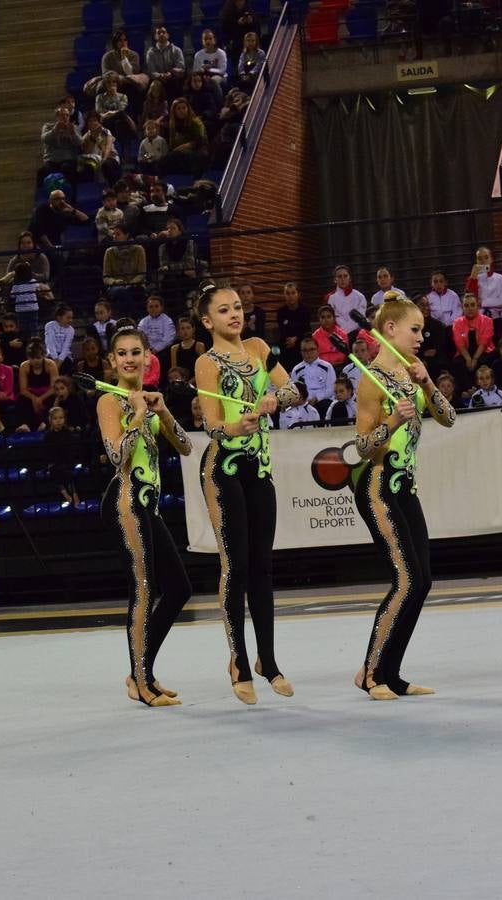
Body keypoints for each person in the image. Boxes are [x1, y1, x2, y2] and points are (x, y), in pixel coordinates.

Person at [195, 284, 303, 704]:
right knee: (235, 566)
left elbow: (293, 390)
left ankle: (268, 661)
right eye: (223, 310)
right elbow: (211, 424)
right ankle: (238, 661)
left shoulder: (258, 348)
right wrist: (235, 427)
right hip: (224, 469)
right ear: (208, 321)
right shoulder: (207, 363)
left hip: (259, 467)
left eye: (237, 307)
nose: (234, 314)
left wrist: (277, 398)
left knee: (263, 566)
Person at [350, 294, 457, 700]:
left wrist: (427, 383)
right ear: (389, 329)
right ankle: (371, 673)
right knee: (406, 579)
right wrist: (393, 421)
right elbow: (361, 446)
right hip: (378, 485)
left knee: (423, 581)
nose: (420, 337)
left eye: (422, 330)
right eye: (414, 329)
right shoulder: (369, 378)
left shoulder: (412, 374)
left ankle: (391, 672)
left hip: (404, 487)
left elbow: (449, 418)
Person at [97, 324, 193, 707]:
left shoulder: (149, 399)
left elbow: (185, 446)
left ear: (148, 357)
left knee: (179, 589)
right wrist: (137, 415)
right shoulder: (108, 401)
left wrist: (163, 411)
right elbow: (117, 455)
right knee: (144, 589)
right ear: (112, 360)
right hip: (125, 501)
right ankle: (141, 680)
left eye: (135, 352)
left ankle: (141, 670)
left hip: (147, 505)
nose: (129, 359)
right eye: (122, 353)